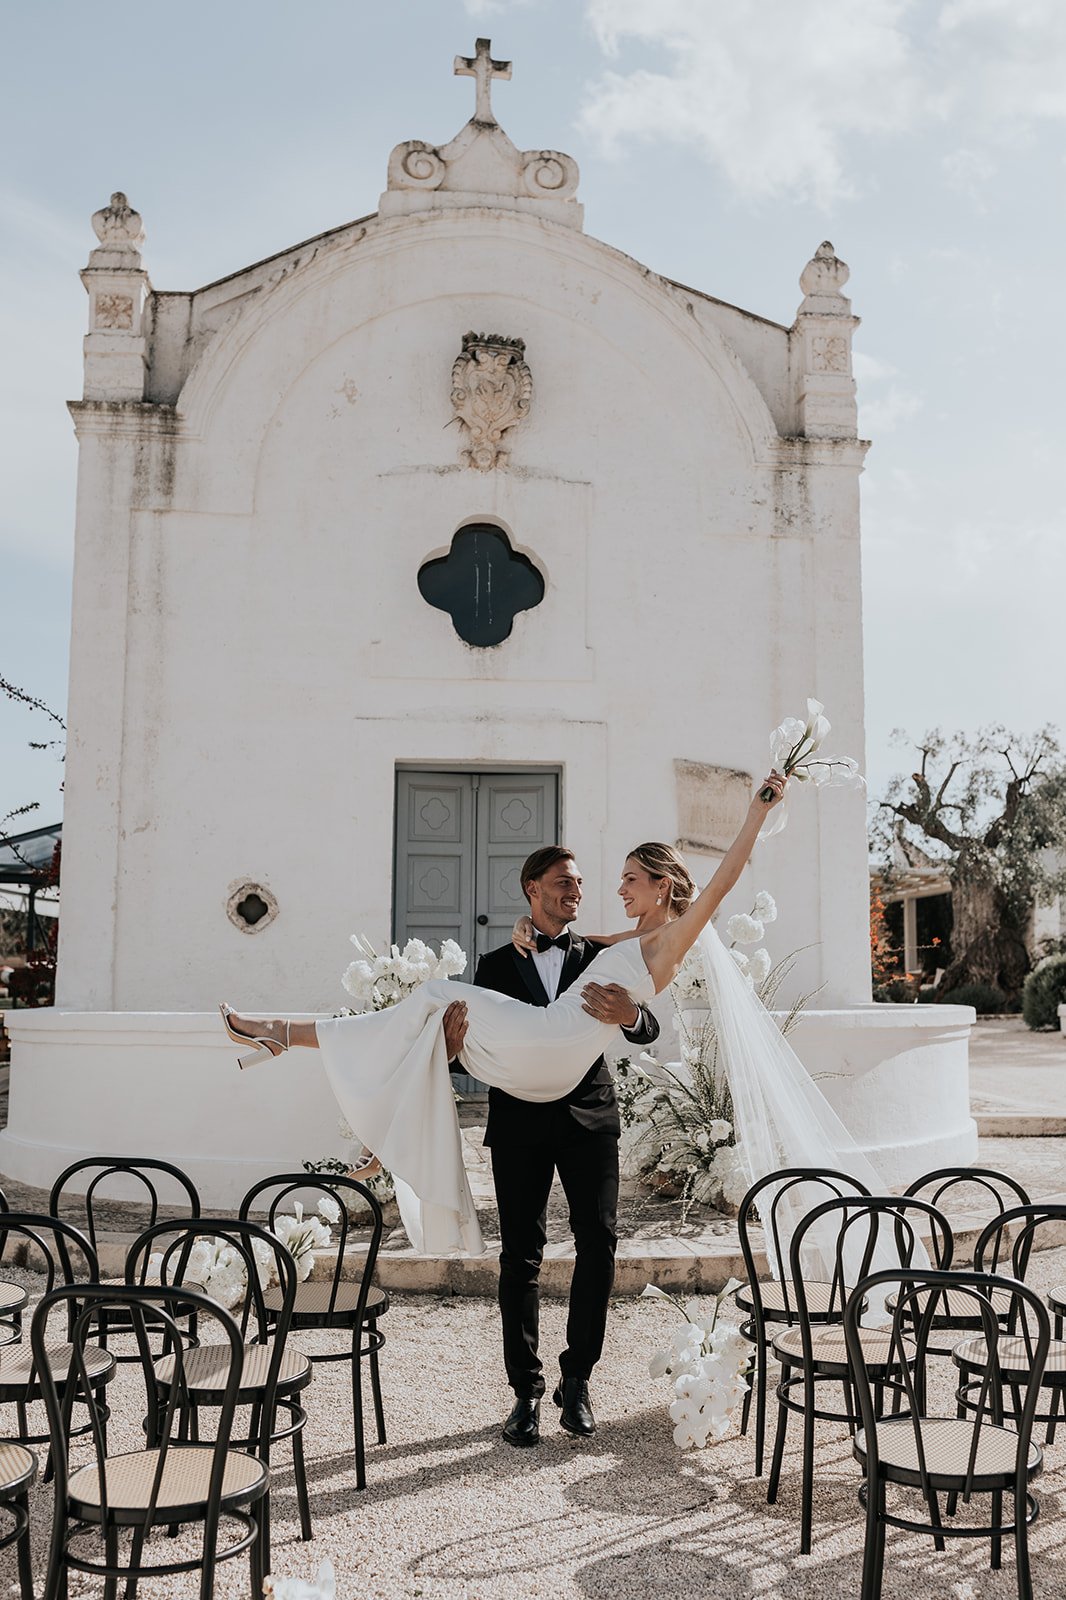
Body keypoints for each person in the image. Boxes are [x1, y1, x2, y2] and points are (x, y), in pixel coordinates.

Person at [439, 846, 662, 1446]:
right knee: (521, 1256)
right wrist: (454, 1051)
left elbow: (647, 1029)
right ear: (532, 888)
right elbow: (477, 1053)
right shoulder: (490, 966)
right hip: (518, 1124)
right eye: (564, 882)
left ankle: (579, 1381)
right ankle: (525, 1394)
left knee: (599, 1246)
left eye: (581, 883)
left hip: (589, 1116)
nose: (576, 891)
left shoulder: (598, 955)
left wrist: (632, 1015)